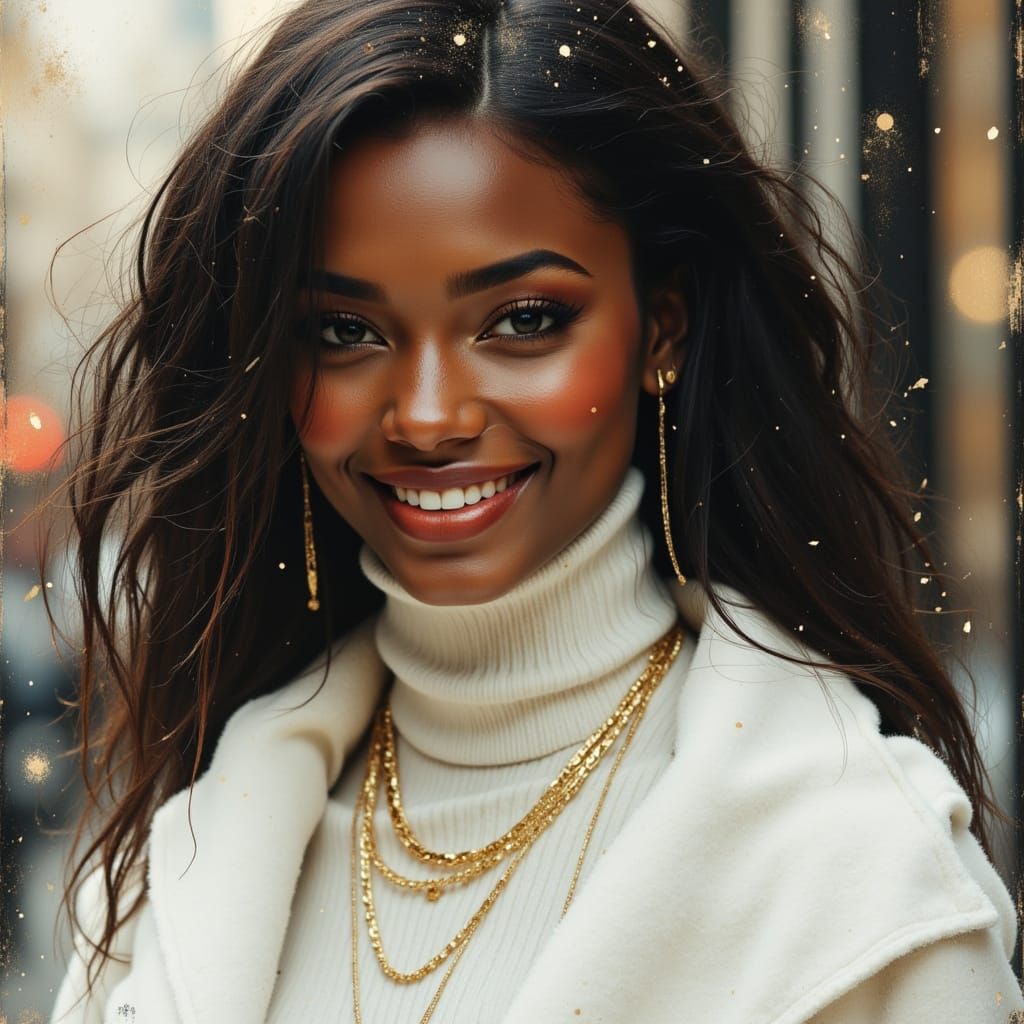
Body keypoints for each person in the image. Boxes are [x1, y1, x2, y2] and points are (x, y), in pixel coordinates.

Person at [46, 0, 1023, 1021]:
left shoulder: (866, 882)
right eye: (343, 331)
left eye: (522, 320)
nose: (428, 417)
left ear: (662, 330)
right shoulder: (182, 868)